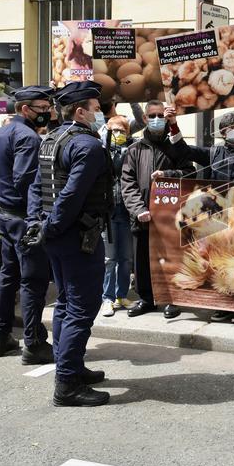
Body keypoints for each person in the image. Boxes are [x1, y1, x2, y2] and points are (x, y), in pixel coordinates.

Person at [26, 80, 112, 407]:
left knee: (65, 303)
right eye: (96, 108)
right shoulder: (87, 146)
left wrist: (40, 225)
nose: (100, 113)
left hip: (57, 234)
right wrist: (52, 226)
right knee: (82, 307)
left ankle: (71, 367)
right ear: (80, 111)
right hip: (77, 236)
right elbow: (72, 195)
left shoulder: (51, 138)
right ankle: (67, 384)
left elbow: (37, 188)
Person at [160, 110, 234, 324]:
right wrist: (173, 125)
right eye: (229, 128)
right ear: (223, 132)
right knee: (216, 264)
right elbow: (184, 150)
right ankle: (221, 307)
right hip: (215, 218)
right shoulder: (213, 153)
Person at [0, 86, 55, 363]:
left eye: (48, 108)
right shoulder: (28, 137)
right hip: (23, 217)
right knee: (33, 282)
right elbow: (27, 180)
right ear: (25, 109)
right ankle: (34, 343)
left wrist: (3, 192)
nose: (48, 113)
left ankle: (0, 338)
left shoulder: (1, 133)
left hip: (7, 214)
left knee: (8, 276)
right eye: (42, 109)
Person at [122, 101, 195, 320]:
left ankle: (171, 299)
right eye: (151, 115)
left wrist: (169, 174)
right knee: (142, 260)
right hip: (143, 217)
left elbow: (189, 173)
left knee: (171, 258)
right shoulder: (134, 149)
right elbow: (127, 182)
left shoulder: (176, 146)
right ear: (144, 118)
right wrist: (138, 209)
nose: (156, 119)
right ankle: (146, 298)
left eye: (160, 115)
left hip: (171, 216)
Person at [100, 115, 134, 317]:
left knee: (126, 258)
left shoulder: (132, 151)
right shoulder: (101, 151)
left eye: (122, 130)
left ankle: (122, 294)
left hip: (126, 211)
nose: (118, 134)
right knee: (109, 259)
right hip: (108, 213)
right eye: (114, 130)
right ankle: (107, 298)